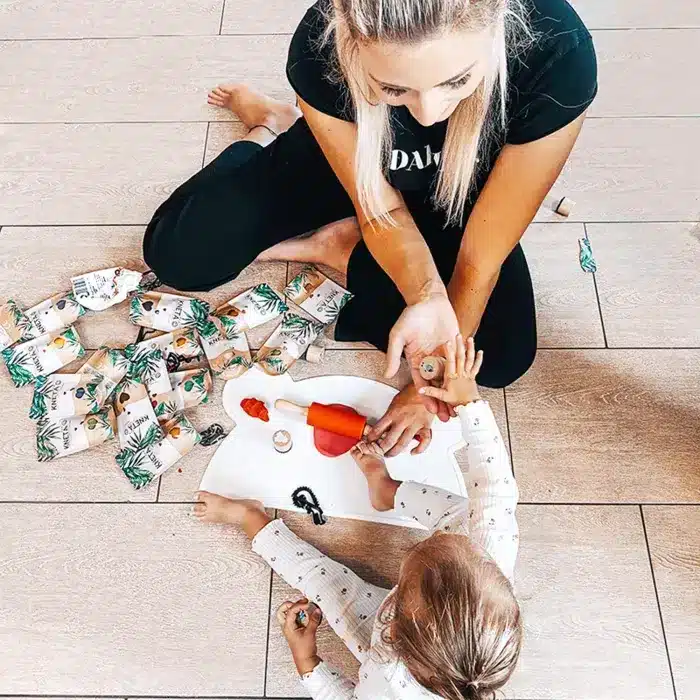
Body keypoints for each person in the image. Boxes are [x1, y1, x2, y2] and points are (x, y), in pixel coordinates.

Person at [143, 0, 597, 456]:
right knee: (179, 255)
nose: (428, 114)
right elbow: (380, 209)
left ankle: (336, 247)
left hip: (461, 194)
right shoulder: (321, 43)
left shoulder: (556, 52)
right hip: (353, 160)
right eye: (394, 89)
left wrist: (429, 380)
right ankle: (271, 126)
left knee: (500, 356)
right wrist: (426, 293)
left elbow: (481, 258)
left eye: (457, 81)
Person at [194, 336, 521, 700]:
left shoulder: (387, 676)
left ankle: (249, 516)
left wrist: (308, 661)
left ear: (395, 630)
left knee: (326, 584)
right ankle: (386, 489)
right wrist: (469, 403)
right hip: (447, 589)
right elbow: (495, 486)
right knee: (463, 513)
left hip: (384, 641)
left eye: (403, 583)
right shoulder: (488, 555)